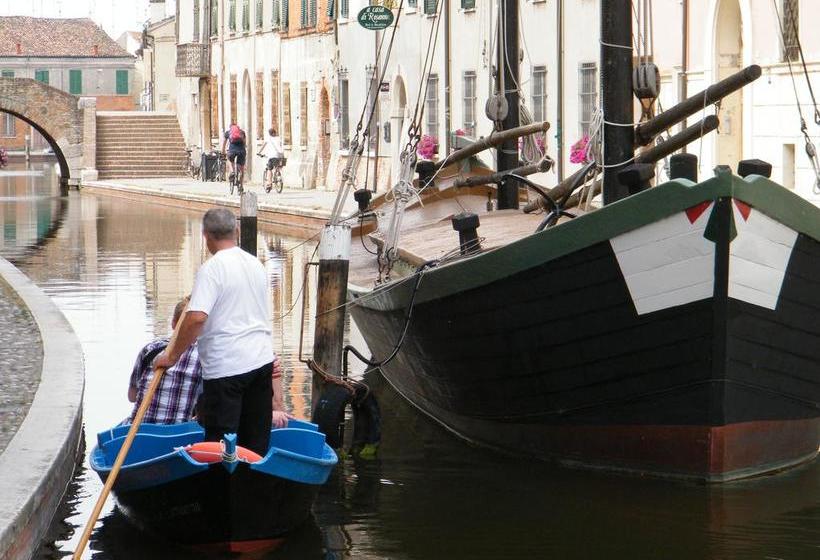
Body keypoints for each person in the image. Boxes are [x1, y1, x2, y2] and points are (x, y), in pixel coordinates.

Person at [155, 208, 288, 456]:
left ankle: (221, 491)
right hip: (261, 364)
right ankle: (251, 489)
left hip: (226, 370)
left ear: (205, 236)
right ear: (236, 232)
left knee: (220, 447)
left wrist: (171, 356)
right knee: (254, 444)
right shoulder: (255, 264)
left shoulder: (211, 269)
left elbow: (196, 319)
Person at [128, 297, 202, 424]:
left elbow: (132, 396)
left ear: (173, 323)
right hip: (178, 433)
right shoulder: (204, 357)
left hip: (140, 430)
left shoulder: (150, 349)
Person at [221, 122, 247, 187]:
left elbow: (224, 143)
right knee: (241, 169)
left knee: (229, 159)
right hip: (241, 151)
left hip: (232, 150)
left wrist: (223, 152)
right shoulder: (242, 132)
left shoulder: (228, 132)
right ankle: (241, 186)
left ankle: (232, 171)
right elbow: (244, 142)